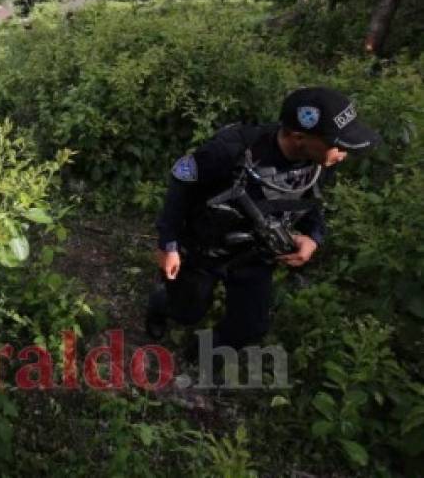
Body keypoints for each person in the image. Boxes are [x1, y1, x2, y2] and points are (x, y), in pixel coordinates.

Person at [145, 87, 379, 353]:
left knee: (250, 327)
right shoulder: (233, 149)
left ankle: (199, 352)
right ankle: (161, 301)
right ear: (299, 137)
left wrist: (313, 236)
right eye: (336, 145)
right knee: (186, 312)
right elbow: (181, 183)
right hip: (205, 247)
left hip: (256, 253)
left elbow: (311, 200)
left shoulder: (320, 162)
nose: (342, 153)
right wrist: (168, 245)